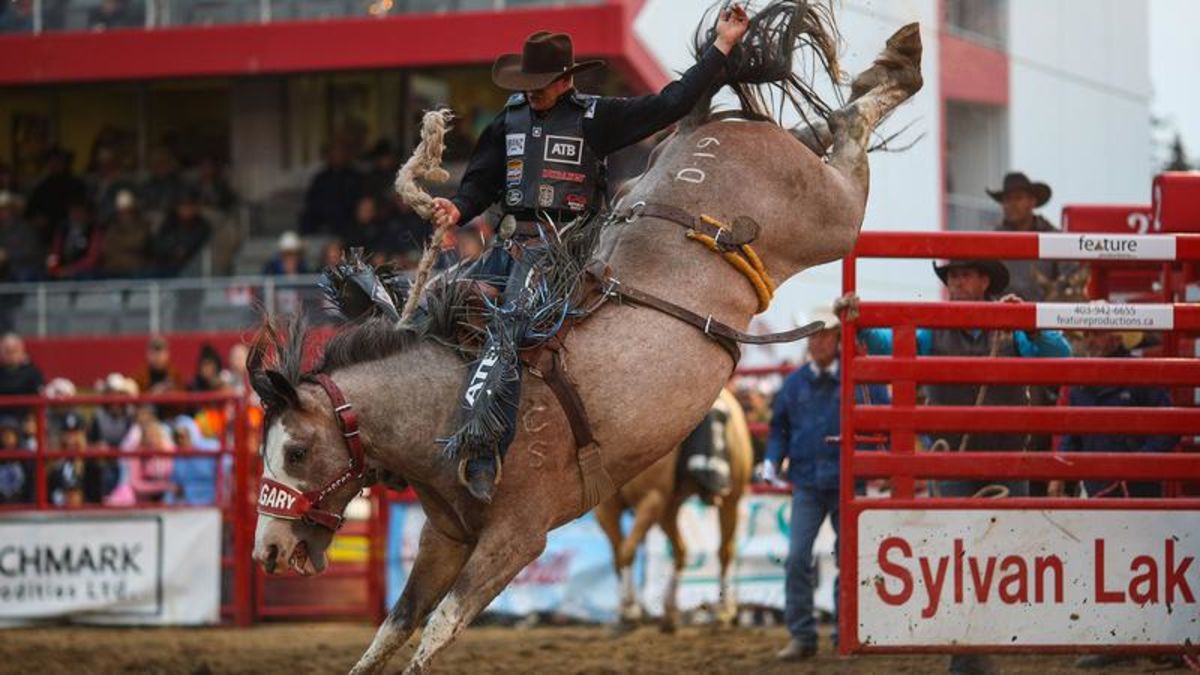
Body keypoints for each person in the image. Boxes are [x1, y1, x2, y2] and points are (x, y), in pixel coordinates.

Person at [428, 6, 751, 502]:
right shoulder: (510, 119)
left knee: (508, 328)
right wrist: (458, 207)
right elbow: (482, 179)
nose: (532, 91)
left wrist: (722, 45)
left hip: (559, 252)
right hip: (507, 244)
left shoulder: (597, 118)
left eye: (541, 82)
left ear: (563, 82)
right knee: (438, 307)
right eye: (529, 81)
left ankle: (484, 452)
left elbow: (672, 102)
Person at [856, 260, 1070, 675]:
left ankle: (987, 641)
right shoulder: (933, 328)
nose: (956, 282)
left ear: (983, 281)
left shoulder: (1008, 322)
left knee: (1008, 553)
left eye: (964, 275)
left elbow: (1058, 354)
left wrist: (1028, 322)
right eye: (952, 276)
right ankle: (969, 650)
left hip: (1005, 458)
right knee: (960, 554)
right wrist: (861, 323)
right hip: (956, 458)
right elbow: (892, 343)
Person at [765, 309, 889, 661]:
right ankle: (807, 635)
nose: (817, 341)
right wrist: (772, 459)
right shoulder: (799, 383)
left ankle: (842, 634)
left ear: (837, 338)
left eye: (824, 335)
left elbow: (884, 419)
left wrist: (877, 459)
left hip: (846, 480)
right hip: (809, 481)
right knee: (797, 558)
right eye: (813, 335)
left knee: (848, 558)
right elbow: (779, 430)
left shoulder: (858, 379)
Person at [1054, 328, 1178, 500]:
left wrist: (1137, 464)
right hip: (1095, 483)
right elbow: (1070, 434)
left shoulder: (1142, 373)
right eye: (1087, 335)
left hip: (1136, 487)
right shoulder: (1079, 379)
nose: (1089, 340)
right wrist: (1060, 474)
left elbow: (1168, 428)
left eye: (1097, 334)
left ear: (1117, 338)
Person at [24, 147, 87, 247]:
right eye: (51, 161)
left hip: (67, 230)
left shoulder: (76, 185)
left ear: (65, 163)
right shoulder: (42, 186)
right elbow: (29, 210)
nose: (54, 164)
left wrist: (50, 219)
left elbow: (78, 210)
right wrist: (35, 219)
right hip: (42, 233)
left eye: (58, 161)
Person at [299, 141, 363, 236]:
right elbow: (311, 199)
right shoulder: (321, 177)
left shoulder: (355, 176)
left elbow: (358, 200)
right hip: (323, 215)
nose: (338, 156)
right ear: (328, 155)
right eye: (334, 152)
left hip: (347, 215)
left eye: (341, 152)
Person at [153, 189, 211, 275]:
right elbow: (159, 244)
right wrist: (174, 249)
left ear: (195, 208)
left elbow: (201, 246)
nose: (186, 210)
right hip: (167, 265)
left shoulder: (202, 225)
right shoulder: (170, 222)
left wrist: (185, 249)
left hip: (193, 268)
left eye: (189, 206)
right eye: (182, 206)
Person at [46, 199, 104, 280]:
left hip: (84, 272)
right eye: (73, 211)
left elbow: (91, 259)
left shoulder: (93, 231)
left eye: (80, 211)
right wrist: (53, 269)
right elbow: (54, 254)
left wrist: (71, 270)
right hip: (62, 270)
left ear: (86, 214)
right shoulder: (63, 231)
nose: (76, 215)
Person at [101, 189, 152, 277]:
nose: (123, 214)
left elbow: (137, 243)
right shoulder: (113, 226)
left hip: (134, 269)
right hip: (113, 269)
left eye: (126, 211)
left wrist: (117, 242)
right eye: (121, 211)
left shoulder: (141, 224)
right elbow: (106, 246)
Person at [0, 190, 43, 281]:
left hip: (26, 270)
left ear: (13, 210)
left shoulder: (26, 229)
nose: (2, 212)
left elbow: (32, 251)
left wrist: (8, 255)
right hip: (6, 272)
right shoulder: (2, 230)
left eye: (5, 209)